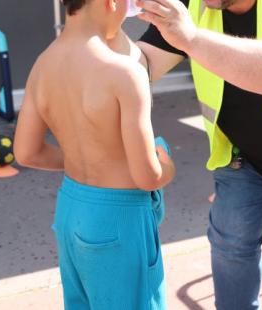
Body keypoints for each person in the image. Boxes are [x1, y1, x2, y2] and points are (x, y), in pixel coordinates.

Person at [121, 0, 262, 307]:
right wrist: (94, 31)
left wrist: (190, 37)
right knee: (230, 245)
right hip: (245, 161)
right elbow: (142, 66)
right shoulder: (196, 5)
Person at [13, 0, 175, 309]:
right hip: (120, 219)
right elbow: (148, 177)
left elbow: (26, 152)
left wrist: (81, 154)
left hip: (70, 209)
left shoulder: (43, 64)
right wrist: (166, 165)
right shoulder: (124, 72)